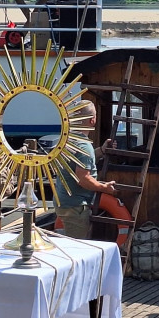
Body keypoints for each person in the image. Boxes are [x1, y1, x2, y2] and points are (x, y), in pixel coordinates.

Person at [52, 100, 117, 239]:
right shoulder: (84, 145)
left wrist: (101, 150)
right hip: (76, 206)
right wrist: (104, 187)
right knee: (77, 250)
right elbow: (83, 179)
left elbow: (79, 161)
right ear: (93, 120)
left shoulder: (68, 140)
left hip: (64, 202)